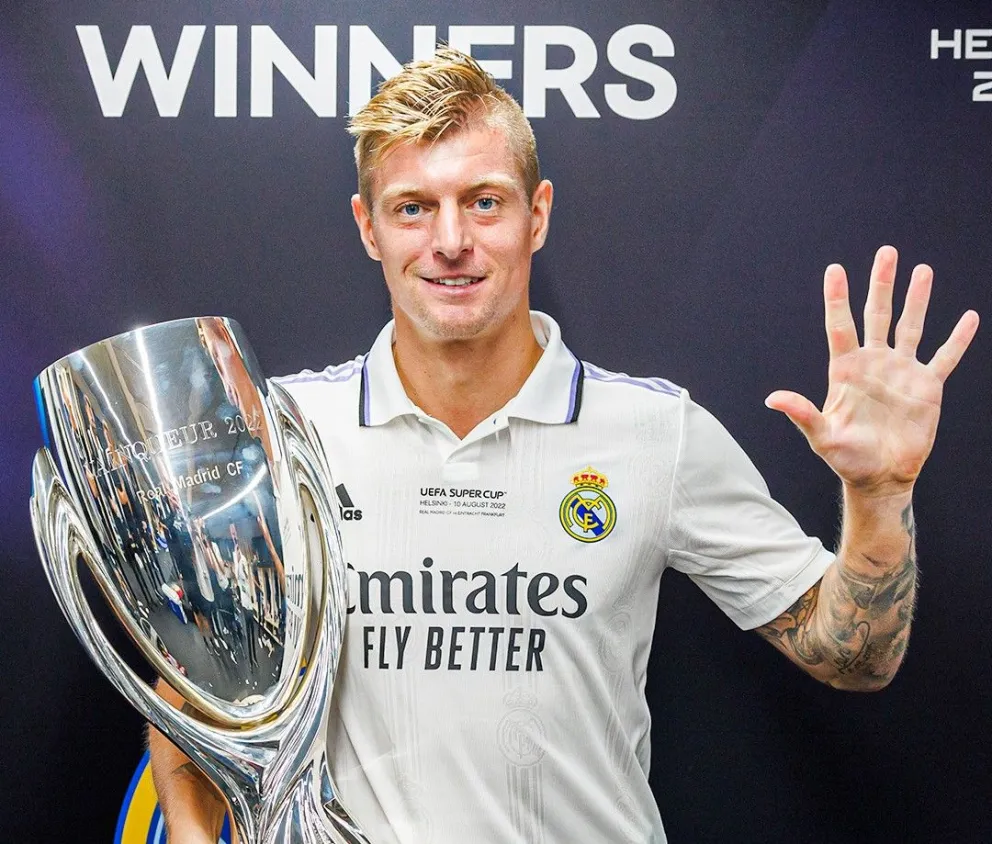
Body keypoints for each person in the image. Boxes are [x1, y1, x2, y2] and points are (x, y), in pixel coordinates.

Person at [147, 48, 979, 844]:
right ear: (369, 227)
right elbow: (195, 684)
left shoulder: (655, 432)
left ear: (536, 214)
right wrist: (188, 831)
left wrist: (879, 498)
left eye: (484, 201)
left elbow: (853, 657)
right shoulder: (285, 430)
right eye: (412, 207)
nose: (450, 241)